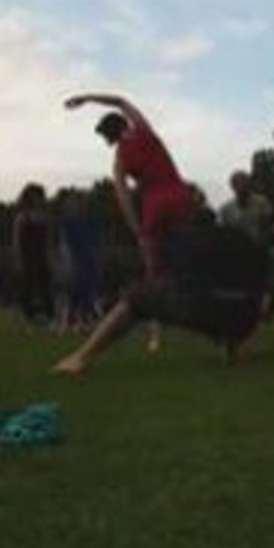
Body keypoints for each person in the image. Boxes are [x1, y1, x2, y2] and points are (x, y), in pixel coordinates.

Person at [51, 213, 269, 375]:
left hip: (204, 308)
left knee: (136, 296)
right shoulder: (242, 239)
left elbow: (180, 280)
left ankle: (81, 357)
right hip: (245, 318)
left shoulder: (189, 240)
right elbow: (262, 280)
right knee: (224, 297)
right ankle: (231, 350)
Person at [64, 92, 197, 353]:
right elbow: (121, 102)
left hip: (155, 205)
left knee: (154, 273)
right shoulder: (144, 130)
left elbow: (123, 197)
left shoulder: (119, 159)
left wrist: (138, 231)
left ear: (109, 136)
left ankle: (156, 336)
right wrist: (87, 98)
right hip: (179, 195)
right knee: (189, 259)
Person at [12, 183, 56, 331]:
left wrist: (50, 259)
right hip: (28, 257)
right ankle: (27, 318)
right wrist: (19, 260)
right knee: (27, 289)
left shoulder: (45, 217)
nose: (39, 200)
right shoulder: (22, 218)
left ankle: (51, 317)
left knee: (45, 287)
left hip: (41, 257)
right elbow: (17, 241)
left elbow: (48, 241)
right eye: (37, 197)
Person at [57, 191, 101, 334]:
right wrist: (68, 260)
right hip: (74, 260)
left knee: (85, 292)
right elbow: (65, 243)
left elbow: (94, 242)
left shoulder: (89, 221)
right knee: (72, 292)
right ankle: (68, 322)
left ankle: (82, 321)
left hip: (86, 259)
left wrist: (94, 257)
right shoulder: (67, 222)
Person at [219, 171, 274, 247]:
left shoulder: (262, 203)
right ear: (232, 186)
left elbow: (268, 227)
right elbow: (225, 231)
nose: (241, 186)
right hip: (235, 247)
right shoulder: (226, 209)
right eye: (237, 183)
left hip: (258, 245)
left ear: (250, 184)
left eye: (244, 182)